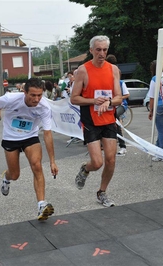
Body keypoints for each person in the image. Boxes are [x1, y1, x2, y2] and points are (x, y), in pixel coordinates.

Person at [0, 78, 58, 220]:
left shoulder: (44, 107)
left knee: (37, 165)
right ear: (24, 92)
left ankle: (42, 205)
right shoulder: (10, 99)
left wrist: (52, 161)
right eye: (33, 95)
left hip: (30, 136)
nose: (36, 99)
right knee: (15, 175)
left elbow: (47, 134)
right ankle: (6, 177)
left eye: (39, 95)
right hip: (11, 137)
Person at [70, 35, 122, 207]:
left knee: (111, 159)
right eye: (98, 50)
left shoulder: (113, 69)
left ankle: (102, 192)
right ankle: (85, 169)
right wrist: (93, 101)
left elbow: (118, 97)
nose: (102, 53)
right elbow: (74, 98)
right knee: (97, 163)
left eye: (105, 50)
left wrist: (109, 102)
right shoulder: (83, 70)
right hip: (91, 120)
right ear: (91, 50)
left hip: (108, 119)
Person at [105, 54, 130, 156]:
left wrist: (118, 99)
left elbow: (127, 94)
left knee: (114, 117)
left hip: (121, 105)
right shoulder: (107, 82)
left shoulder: (120, 82)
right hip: (111, 105)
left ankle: (123, 146)